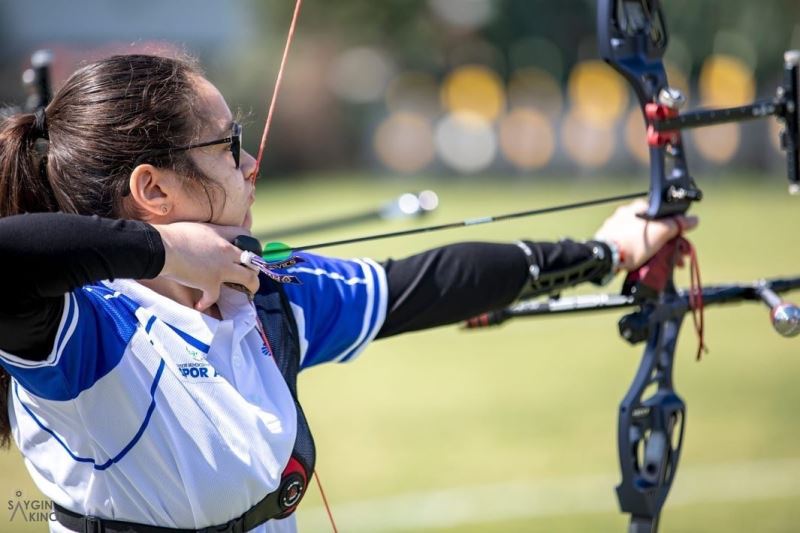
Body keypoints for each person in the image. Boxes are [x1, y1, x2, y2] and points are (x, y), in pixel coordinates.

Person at [0, 54, 697, 533]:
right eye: (227, 144)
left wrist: (606, 251)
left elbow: (426, 283)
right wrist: (167, 250)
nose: (250, 163)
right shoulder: (84, 330)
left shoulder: (265, 294)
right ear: (154, 189)